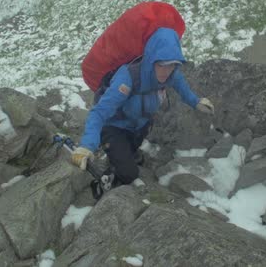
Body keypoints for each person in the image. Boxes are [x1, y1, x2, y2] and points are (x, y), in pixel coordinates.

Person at [71, 27, 214, 196]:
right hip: (114, 127)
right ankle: (105, 177)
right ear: (152, 59)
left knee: (129, 154)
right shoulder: (128, 77)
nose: (166, 71)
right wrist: (87, 146)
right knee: (129, 174)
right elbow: (99, 112)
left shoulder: (171, 73)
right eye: (161, 64)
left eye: (172, 65)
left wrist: (197, 102)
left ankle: (123, 155)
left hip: (140, 126)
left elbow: (183, 89)